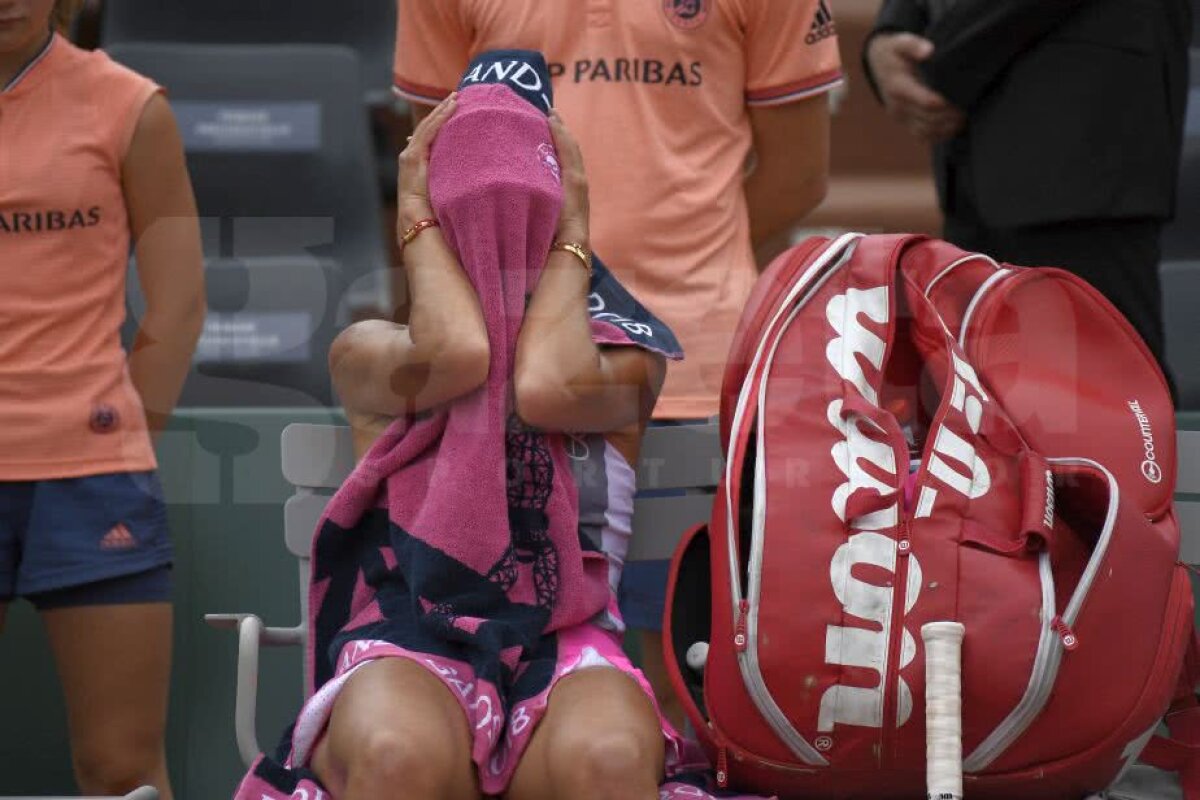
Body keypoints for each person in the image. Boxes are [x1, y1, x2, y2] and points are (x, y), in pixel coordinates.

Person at [235, 54, 767, 800]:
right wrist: (419, 214)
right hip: (407, 630)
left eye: (526, 208)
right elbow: (458, 353)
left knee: (612, 761)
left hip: (566, 636)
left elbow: (543, 385)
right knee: (394, 755)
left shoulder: (625, 365)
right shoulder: (369, 353)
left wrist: (571, 224)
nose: (499, 234)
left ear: (560, 216)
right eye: (470, 209)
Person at [394, 0, 843, 725]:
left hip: (694, 371)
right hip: (504, 375)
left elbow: (797, 176)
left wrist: (628, 295)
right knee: (496, 687)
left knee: (688, 688)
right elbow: (430, 161)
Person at [0, 0, 205, 795]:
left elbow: (180, 303)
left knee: (121, 771)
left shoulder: (130, 106)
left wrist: (126, 438)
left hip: (94, 478)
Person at [863, 0, 1192, 390]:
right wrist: (891, 32)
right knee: (988, 407)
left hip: (1085, 149)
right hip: (970, 156)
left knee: (1106, 405)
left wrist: (935, 62)